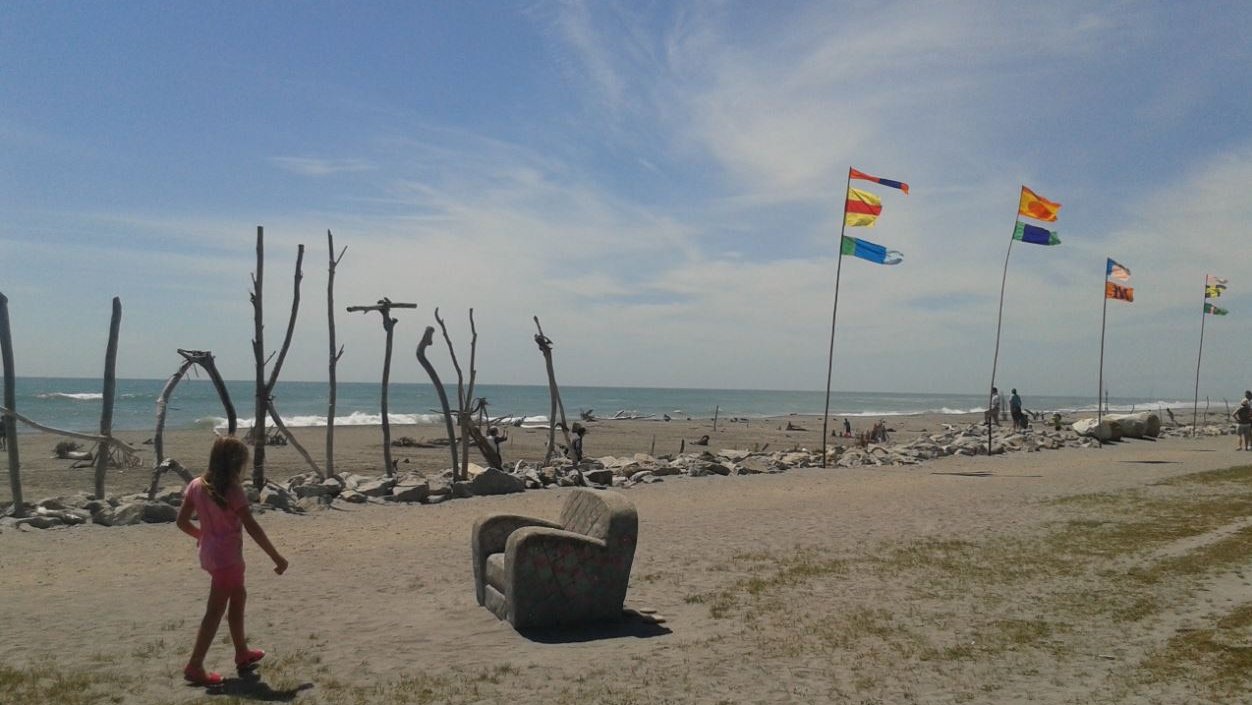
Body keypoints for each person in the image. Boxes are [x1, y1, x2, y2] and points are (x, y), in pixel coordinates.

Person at [177, 436, 288, 686]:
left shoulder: (196, 485)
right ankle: (195, 665)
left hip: (210, 554)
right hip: (227, 559)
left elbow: (182, 522)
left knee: (238, 598)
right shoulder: (232, 491)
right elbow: (253, 527)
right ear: (237, 464)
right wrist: (276, 557)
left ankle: (241, 653)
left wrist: (203, 536)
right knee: (214, 612)